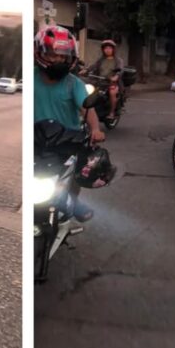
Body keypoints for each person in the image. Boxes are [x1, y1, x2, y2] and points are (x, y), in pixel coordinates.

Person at [34, 25, 108, 221]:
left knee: (78, 169)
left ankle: (72, 201)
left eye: (63, 56)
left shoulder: (74, 83)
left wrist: (95, 129)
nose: (58, 59)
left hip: (66, 140)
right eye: (53, 54)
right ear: (40, 53)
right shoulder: (31, 78)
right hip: (35, 139)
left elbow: (88, 109)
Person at [86, 40, 125, 121]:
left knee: (112, 92)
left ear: (113, 49)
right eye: (106, 48)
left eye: (110, 48)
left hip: (112, 83)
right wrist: (85, 70)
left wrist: (116, 76)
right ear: (103, 50)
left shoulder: (118, 60)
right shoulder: (101, 60)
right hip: (99, 81)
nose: (107, 50)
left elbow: (120, 70)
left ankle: (112, 112)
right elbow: (93, 66)